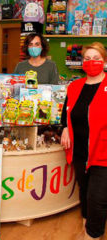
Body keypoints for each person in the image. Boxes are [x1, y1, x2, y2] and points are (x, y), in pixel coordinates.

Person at [61, 42, 107, 240]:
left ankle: (93, 235)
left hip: (103, 152)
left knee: (97, 198)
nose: (91, 62)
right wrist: (64, 128)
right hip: (79, 151)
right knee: (85, 194)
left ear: (104, 61)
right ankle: (86, 227)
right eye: (87, 58)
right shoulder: (74, 86)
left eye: (96, 58)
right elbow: (66, 112)